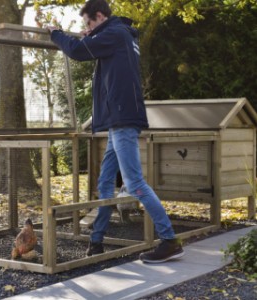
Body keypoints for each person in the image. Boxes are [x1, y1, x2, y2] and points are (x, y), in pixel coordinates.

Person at [48, 0, 184, 263]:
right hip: (117, 121)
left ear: (99, 16)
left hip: (122, 120)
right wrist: (95, 34)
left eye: (88, 23)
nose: (86, 28)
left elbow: (76, 50)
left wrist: (56, 34)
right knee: (105, 182)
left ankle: (169, 240)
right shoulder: (118, 34)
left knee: (134, 184)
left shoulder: (115, 34)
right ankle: (96, 242)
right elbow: (98, 48)